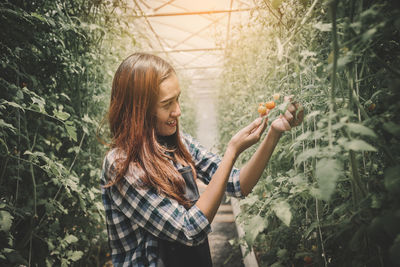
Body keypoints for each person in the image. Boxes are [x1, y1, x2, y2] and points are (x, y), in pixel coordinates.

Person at [100, 52, 304, 267]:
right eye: (167, 104)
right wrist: (232, 151)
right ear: (138, 110)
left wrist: (274, 132)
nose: (177, 111)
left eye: (177, 99)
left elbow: (238, 184)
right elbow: (189, 230)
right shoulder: (122, 165)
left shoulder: (179, 143)